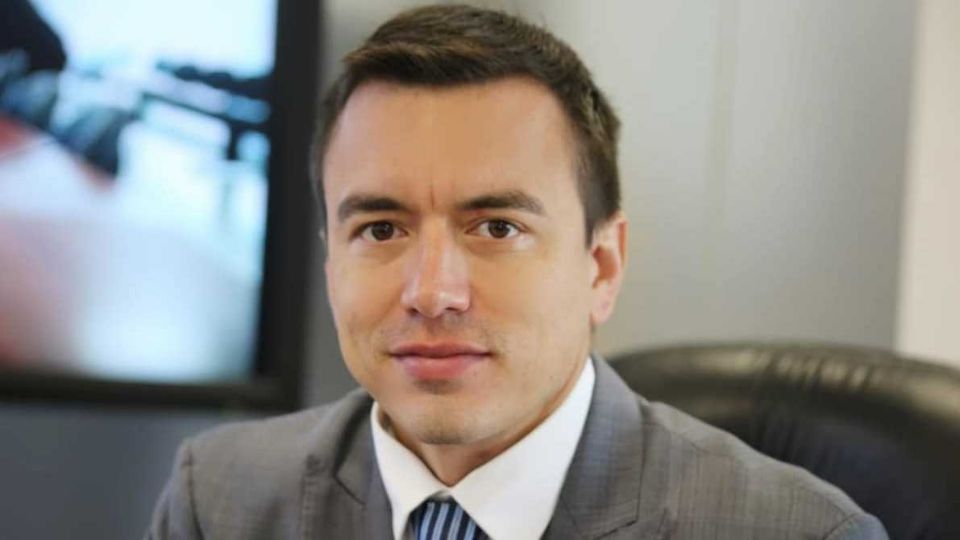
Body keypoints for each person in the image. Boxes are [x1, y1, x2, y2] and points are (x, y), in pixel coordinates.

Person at [147, 5, 887, 539]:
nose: (431, 292)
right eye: (380, 229)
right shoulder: (220, 503)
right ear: (331, 259)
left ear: (601, 267)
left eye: (497, 228)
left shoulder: (799, 533)